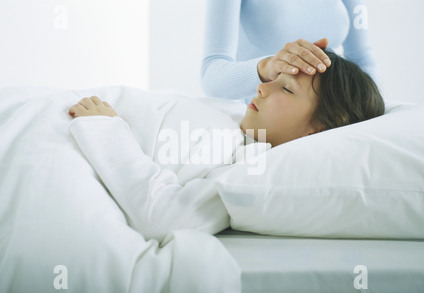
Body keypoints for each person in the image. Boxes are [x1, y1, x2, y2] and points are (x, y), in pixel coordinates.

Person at [68, 50, 384, 242]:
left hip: (78, 132)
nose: (261, 86)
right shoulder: (241, 122)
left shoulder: (255, 168)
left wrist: (107, 132)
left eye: (286, 89)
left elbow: (167, 219)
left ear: (318, 130)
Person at [200, 0, 378, 104]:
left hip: (323, 123)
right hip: (262, 123)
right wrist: (266, 67)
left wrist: (369, 114)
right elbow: (211, 75)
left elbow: (362, 59)